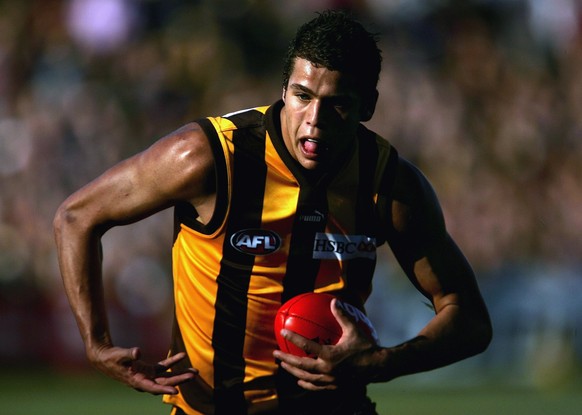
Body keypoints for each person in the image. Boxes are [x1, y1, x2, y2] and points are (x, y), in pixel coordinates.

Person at [53, 10, 492, 415]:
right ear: (283, 90)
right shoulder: (210, 157)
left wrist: (381, 362)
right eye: (302, 95)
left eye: (337, 103)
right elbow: (77, 217)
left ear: (368, 106)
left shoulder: (389, 184)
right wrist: (95, 343)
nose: (314, 119)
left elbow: (468, 317)